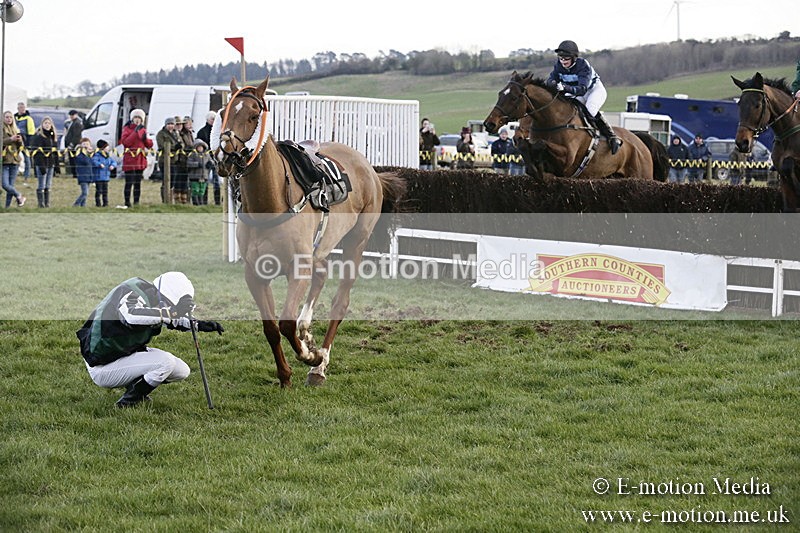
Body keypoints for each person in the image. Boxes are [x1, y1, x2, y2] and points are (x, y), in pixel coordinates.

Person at [76, 271, 224, 408]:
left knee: (181, 371)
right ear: (161, 295)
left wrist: (198, 325)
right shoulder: (131, 292)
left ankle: (135, 388)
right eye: (170, 305)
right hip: (102, 365)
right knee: (165, 362)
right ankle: (127, 402)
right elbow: (131, 315)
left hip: (124, 354)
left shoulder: (155, 297)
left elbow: (170, 318)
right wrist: (173, 311)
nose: (170, 309)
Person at [546, 40, 622, 155]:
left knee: (590, 109)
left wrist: (565, 87)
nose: (563, 61)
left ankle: (611, 136)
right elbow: (550, 80)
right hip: (576, 92)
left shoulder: (582, 65)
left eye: (566, 58)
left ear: (574, 58)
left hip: (593, 91)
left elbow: (582, 89)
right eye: (561, 58)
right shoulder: (558, 66)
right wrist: (551, 83)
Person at [119, 108, 153, 207]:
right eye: (135, 117)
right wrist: (135, 133)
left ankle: (136, 202)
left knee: (138, 182)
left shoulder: (143, 130)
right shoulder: (127, 129)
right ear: (132, 119)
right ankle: (127, 202)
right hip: (130, 159)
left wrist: (145, 138)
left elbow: (149, 145)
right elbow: (126, 143)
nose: (137, 120)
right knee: (129, 182)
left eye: (139, 118)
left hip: (140, 159)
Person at [29, 116, 58, 207]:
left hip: (50, 163)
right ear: (42, 125)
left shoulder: (52, 136)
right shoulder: (38, 136)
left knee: (48, 184)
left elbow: (54, 152)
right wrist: (41, 165)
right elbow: (36, 152)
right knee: (41, 183)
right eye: (45, 123)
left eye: (49, 123)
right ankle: (40, 203)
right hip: (42, 163)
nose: (47, 125)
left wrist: (55, 164)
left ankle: (47, 203)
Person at [196, 111, 220, 205]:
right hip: (205, 160)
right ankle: (204, 202)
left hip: (216, 159)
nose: (214, 121)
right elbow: (199, 147)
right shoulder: (202, 132)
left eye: (215, 119)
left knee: (216, 181)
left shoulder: (218, 132)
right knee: (205, 180)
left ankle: (217, 202)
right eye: (212, 119)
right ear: (208, 120)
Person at [2, 110, 26, 207]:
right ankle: (19, 195)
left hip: (14, 160)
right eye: (7, 117)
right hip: (4, 160)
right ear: (3, 118)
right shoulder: (2, 129)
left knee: (11, 186)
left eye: (10, 117)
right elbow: (2, 142)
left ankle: (7, 207)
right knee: (5, 184)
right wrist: (10, 139)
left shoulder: (16, 130)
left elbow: (21, 146)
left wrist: (20, 141)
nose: (9, 119)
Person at [156, 116, 180, 199]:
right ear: (166, 125)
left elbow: (180, 143)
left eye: (172, 124)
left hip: (174, 160)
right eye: (169, 124)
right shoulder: (161, 134)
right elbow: (162, 145)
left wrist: (180, 146)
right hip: (164, 161)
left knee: (173, 180)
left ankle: (170, 197)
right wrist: (174, 147)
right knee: (165, 180)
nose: (170, 126)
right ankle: (164, 197)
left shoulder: (176, 133)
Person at [14, 102, 35, 185]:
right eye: (20, 107)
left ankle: (26, 177)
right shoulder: (14, 117)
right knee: (14, 158)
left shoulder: (28, 118)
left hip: (25, 141)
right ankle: (14, 175)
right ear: (18, 108)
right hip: (15, 141)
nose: (22, 109)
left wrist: (29, 143)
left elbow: (31, 131)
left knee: (27, 159)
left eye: (23, 108)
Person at [187, 138, 212, 206]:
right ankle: (196, 203)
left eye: (201, 147)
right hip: (195, 176)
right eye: (198, 147)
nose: (200, 148)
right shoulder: (192, 154)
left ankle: (201, 203)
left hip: (204, 176)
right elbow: (189, 163)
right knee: (195, 190)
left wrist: (210, 163)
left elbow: (211, 161)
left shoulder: (206, 155)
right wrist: (197, 164)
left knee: (202, 191)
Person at [172, 116, 190, 204]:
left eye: (180, 124)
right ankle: (176, 199)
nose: (179, 126)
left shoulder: (186, 133)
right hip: (176, 160)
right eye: (177, 124)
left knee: (184, 180)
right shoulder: (173, 134)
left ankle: (184, 199)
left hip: (185, 159)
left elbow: (189, 145)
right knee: (177, 180)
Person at [92, 139, 115, 207]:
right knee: (99, 191)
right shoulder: (97, 155)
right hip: (98, 177)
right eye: (106, 147)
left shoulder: (108, 156)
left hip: (106, 176)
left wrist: (112, 165)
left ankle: (105, 203)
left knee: (105, 191)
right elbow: (94, 161)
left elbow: (113, 162)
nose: (108, 148)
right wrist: (99, 164)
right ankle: (98, 203)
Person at [72, 137, 94, 207]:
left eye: (87, 144)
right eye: (84, 144)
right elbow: (85, 161)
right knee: (85, 193)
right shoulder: (79, 154)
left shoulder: (89, 154)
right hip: (82, 175)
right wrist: (87, 154)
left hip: (89, 175)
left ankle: (83, 205)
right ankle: (76, 204)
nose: (86, 145)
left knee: (86, 192)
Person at [64, 110, 84, 179]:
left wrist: (72, 144)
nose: (71, 117)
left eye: (72, 115)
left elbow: (76, 135)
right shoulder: (72, 122)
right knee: (71, 159)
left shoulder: (77, 123)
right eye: (70, 115)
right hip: (71, 144)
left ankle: (75, 174)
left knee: (74, 159)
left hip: (74, 145)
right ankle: (74, 173)